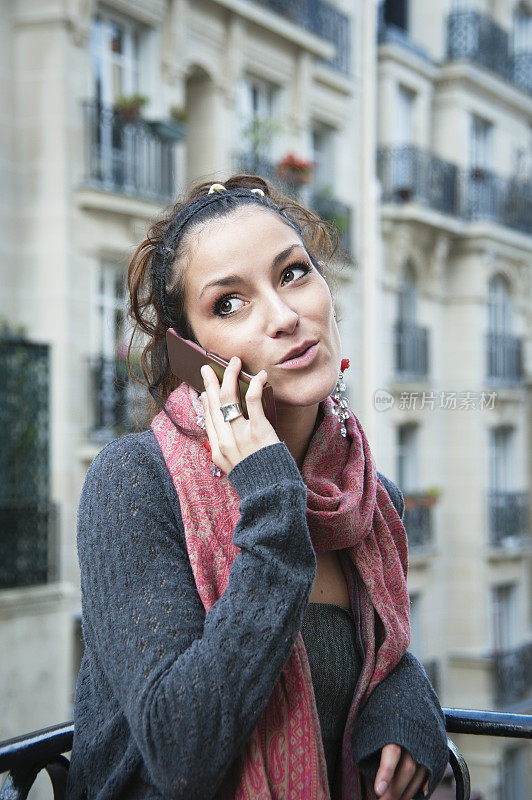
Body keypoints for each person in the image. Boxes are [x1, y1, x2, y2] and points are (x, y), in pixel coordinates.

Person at [66, 175, 448, 800]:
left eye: (294, 273)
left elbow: (386, 650)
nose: (284, 316)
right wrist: (270, 495)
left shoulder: (366, 496)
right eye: (229, 303)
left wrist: (407, 705)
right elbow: (179, 751)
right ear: (193, 355)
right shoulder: (134, 482)